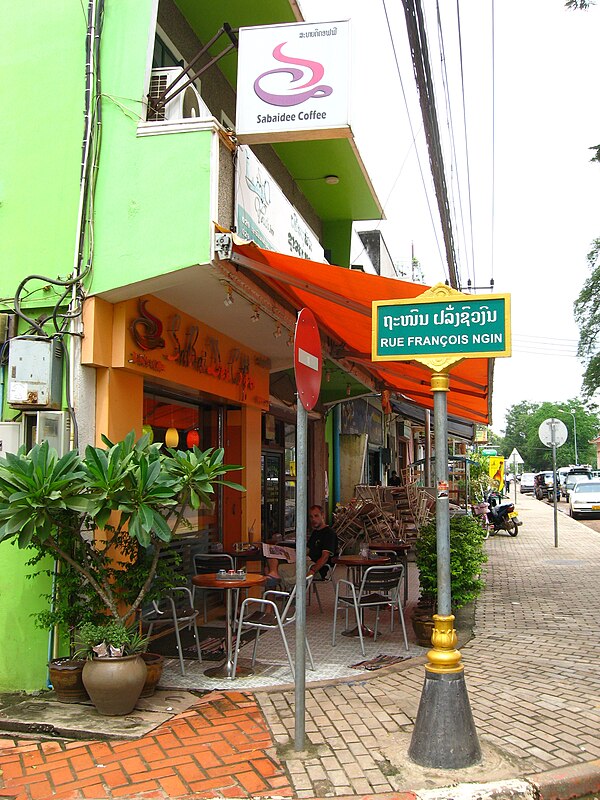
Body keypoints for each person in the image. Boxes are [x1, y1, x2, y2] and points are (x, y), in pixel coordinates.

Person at [266, 505, 337, 591]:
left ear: (323, 516)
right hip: (305, 562)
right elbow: (307, 550)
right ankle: (278, 594)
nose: (313, 519)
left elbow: (325, 557)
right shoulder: (315, 532)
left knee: (272, 570)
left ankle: (276, 597)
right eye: (311, 517)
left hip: (314, 567)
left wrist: (312, 570)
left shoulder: (329, 533)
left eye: (316, 516)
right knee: (271, 562)